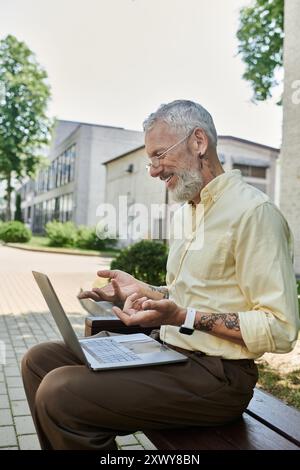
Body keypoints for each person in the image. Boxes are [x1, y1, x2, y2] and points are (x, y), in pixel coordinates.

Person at [22, 100, 299, 450]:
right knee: (39, 361)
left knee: (59, 392)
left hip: (218, 377)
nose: (153, 171)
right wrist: (139, 291)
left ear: (199, 142)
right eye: (148, 160)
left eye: (159, 155)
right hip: (168, 352)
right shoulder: (185, 213)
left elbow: (280, 328)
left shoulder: (254, 214)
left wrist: (184, 316)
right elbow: (185, 297)